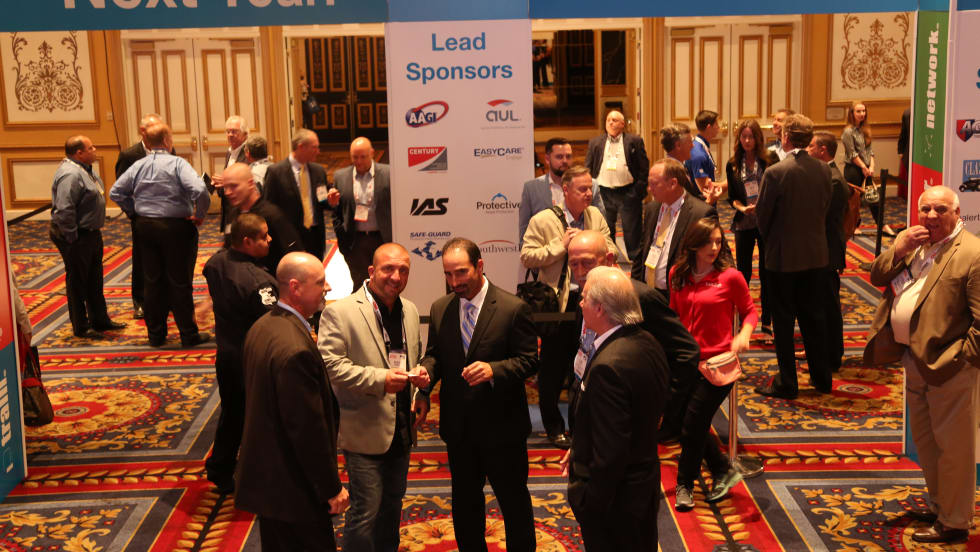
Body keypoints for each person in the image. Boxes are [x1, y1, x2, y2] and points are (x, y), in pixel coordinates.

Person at [864, 185, 979, 545]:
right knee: (927, 443)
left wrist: (959, 360)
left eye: (940, 210)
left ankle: (955, 522)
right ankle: (941, 506)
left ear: (957, 213)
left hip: (950, 367)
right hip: (913, 360)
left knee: (954, 448)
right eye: (925, 209)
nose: (931, 216)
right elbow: (878, 275)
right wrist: (898, 248)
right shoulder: (916, 245)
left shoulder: (972, 253)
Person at [420, 238, 538, 552]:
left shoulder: (513, 308)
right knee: (466, 505)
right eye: (448, 274)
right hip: (459, 432)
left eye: (461, 273)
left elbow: (529, 360)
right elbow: (435, 356)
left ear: (480, 266)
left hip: (504, 430)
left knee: (514, 505)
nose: (455, 282)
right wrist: (427, 375)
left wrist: (494, 370)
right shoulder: (440, 308)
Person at [318, 243, 430, 552]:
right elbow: (331, 367)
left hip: (402, 430)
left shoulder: (408, 309)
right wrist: (380, 380)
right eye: (388, 269)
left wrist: (419, 387)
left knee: (393, 505)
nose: (396, 276)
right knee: (365, 512)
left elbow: (410, 359)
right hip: (364, 430)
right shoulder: (339, 311)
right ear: (371, 272)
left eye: (403, 270)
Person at [235, 252, 349, 550]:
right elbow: (306, 430)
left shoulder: (263, 326)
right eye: (320, 282)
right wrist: (331, 488)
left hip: (269, 481)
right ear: (296, 287)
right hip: (295, 488)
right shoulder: (295, 349)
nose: (328, 289)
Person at [561, 266, 669, 551]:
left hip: (615, 502)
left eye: (584, 298)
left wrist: (589, 503)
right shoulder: (649, 342)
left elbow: (611, 453)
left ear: (599, 308)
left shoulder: (609, 366)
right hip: (642, 485)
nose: (580, 303)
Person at [565, 230, 700, 443]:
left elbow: (687, 352)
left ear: (609, 259)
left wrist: (662, 406)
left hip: (625, 417)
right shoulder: (583, 294)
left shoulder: (640, 298)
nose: (580, 272)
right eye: (574, 265)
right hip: (588, 401)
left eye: (587, 263)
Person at [520, 165, 618, 448]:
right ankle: (553, 425)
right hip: (559, 306)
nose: (589, 194)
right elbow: (527, 256)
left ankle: (581, 424)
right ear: (565, 191)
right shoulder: (543, 220)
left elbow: (609, 246)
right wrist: (560, 245)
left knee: (587, 364)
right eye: (582, 189)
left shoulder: (595, 215)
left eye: (591, 188)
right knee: (552, 367)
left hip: (594, 300)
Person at [668, 218, 757, 511]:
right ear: (693, 244)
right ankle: (721, 468)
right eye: (709, 242)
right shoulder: (677, 274)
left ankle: (685, 484)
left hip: (719, 365)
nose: (715, 248)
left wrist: (743, 334)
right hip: (686, 363)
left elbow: (749, 312)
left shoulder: (730, 277)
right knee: (686, 423)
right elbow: (673, 316)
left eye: (719, 242)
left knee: (693, 424)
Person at [110, 123, 211, 348]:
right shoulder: (177, 164)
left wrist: (133, 211)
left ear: (147, 142)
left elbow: (115, 192)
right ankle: (188, 334)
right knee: (179, 281)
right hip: (175, 228)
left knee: (152, 282)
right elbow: (200, 190)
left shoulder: (139, 165)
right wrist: (199, 214)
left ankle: (155, 335)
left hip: (145, 228)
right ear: (167, 141)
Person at [754, 113, 833, 399]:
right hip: (816, 256)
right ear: (810, 139)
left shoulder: (776, 173)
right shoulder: (825, 170)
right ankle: (822, 378)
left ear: (785, 138)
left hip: (782, 258)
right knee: (815, 319)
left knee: (784, 323)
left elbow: (762, 218)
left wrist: (775, 239)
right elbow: (824, 209)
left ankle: (788, 382)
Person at [202, 213, 278, 494]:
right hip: (253, 360)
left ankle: (220, 468)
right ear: (247, 241)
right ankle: (259, 475)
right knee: (261, 417)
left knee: (232, 413)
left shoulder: (215, 263)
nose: (269, 239)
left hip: (226, 353)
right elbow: (274, 324)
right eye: (264, 236)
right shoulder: (259, 281)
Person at [50, 135, 125, 339]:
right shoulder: (70, 174)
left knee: (94, 278)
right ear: (79, 153)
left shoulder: (84, 169)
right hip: (77, 235)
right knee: (78, 281)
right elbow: (64, 209)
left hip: (90, 233)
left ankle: (99, 320)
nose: (95, 149)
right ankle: (81, 326)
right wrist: (73, 237)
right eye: (91, 148)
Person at [632, 158, 717, 297]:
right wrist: (635, 287)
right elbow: (643, 251)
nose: (649, 189)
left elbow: (716, 258)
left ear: (673, 184)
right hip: (648, 291)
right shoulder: (652, 208)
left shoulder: (701, 213)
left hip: (679, 294)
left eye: (654, 184)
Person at [115, 112, 165, 320]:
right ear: (143, 132)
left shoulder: (166, 150)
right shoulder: (129, 155)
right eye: (155, 129)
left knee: (164, 257)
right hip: (142, 218)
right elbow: (120, 188)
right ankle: (141, 302)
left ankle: (163, 299)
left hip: (165, 215)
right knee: (142, 260)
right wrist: (133, 213)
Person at [807, 132, 849, 373]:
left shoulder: (832, 179)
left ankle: (833, 355)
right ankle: (824, 350)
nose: (808, 150)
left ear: (822, 150)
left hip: (827, 252)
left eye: (812, 146)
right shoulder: (827, 175)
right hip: (823, 250)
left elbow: (819, 217)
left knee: (829, 306)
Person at [726, 119, 771, 337]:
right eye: (743, 137)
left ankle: (768, 320)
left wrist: (762, 206)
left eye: (750, 137)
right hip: (744, 221)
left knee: (767, 271)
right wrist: (742, 208)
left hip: (765, 221)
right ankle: (744, 319)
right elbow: (732, 198)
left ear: (758, 139)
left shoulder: (769, 161)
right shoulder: (733, 164)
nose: (746, 141)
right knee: (743, 272)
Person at [584, 110, 650, 263]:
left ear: (622, 124)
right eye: (608, 120)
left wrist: (638, 191)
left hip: (628, 192)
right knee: (605, 227)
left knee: (632, 228)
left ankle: (635, 261)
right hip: (603, 192)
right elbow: (588, 166)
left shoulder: (634, 141)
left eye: (614, 120)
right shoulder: (595, 142)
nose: (611, 123)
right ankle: (608, 257)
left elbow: (643, 168)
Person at [327, 137, 392, 285]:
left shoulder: (388, 174)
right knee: (360, 283)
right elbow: (337, 211)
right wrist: (333, 204)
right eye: (355, 157)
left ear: (372, 153)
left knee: (384, 282)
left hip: (382, 239)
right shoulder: (340, 176)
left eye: (363, 157)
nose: (359, 161)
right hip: (354, 242)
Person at [518, 137, 603, 249]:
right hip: (549, 257)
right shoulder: (531, 188)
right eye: (559, 157)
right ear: (547, 159)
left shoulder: (591, 185)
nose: (564, 161)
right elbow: (524, 233)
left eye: (568, 156)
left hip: (584, 252)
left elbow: (601, 225)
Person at [221, 163, 302, 275]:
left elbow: (295, 254)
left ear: (250, 184)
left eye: (234, 186)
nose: (228, 192)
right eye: (225, 187)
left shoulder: (272, 215)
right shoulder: (233, 214)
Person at [263, 128, 330, 259]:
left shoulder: (318, 171)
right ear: (301, 147)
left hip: (315, 236)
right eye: (314, 147)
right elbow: (268, 208)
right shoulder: (276, 172)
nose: (318, 151)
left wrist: (331, 202)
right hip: (289, 238)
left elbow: (322, 201)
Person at [842, 101, 895, 236]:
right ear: (852, 114)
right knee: (854, 201)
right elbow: (852, 153)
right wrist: (863, 167)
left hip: (866, 169)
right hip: (853, 170)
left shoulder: (865, 130)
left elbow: (870, 151)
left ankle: (882, 225)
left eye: (863, 111)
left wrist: (871, 166)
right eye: (858, 111)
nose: (862, 114)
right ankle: (853, 225)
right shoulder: (848, 132)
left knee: (873, 198)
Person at [212, 115, 250, 233]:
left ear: (244, 134)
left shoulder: (248, 153)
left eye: (234, 131)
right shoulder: (230, 152)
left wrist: (225, 182)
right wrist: (219, 184)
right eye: (228, 131)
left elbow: (246, 181)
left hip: (242, 210)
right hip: (229, 209)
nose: (230, 134)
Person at [686, 110, 723, 205]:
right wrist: (731, 183)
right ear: (709, 127)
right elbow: (705, 187)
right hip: (701, 206)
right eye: (716, 124)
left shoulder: (700, 146)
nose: (718, 127)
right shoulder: (698, 153)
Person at [660, 123, 701, 199]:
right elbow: (681, 208)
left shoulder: (679, 165)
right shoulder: (671, 173)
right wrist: (709, 201)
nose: (693, 145)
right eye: (690, 142)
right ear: (678, 145)